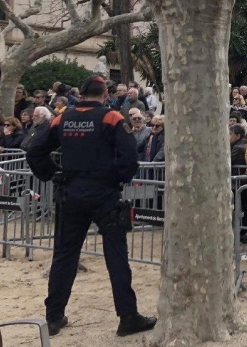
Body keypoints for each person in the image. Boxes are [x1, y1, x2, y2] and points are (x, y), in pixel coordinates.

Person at [25, 75, 156, 337]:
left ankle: (53, 317)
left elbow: (34, 150)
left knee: (64, 255)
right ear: (105, 95)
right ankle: (127, 316)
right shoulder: (113, 118)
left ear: (82, 95)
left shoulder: (62, 117)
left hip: (70, 193)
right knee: (116, 256)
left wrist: (53, 173)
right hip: (104, 194)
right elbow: (130, 158)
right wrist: (116, 178)